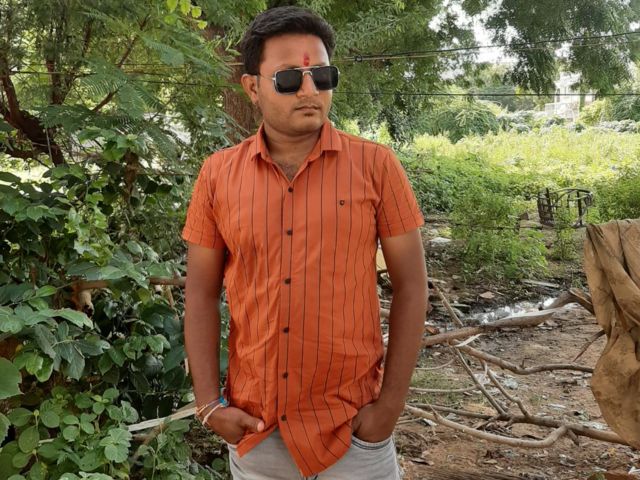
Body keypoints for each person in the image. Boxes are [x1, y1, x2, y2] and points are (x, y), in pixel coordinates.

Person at [182, 6, 428, 479]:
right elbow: (200, 293)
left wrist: (389, 408)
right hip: (257, 431)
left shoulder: (376, 167)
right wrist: (209, 404)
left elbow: (412, 287)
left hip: (352, 433)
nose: (310, 90)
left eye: (322, 76)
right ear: (252, 87)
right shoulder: (218, 175)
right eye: (290, 79)